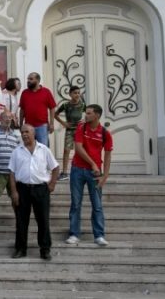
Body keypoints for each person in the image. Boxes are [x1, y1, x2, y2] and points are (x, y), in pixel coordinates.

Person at [8, 124, 60, 260]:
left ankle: (45, 249)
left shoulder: (44, 150)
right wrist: (14, 192)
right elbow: (12, 173)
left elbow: (55, 168)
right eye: (22, 132)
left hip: (41, 189)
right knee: (21, 221)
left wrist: (52, 184)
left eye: (27, 132)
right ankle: (20, 249)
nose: (24, 134)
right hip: (22, 189)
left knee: (43, 220)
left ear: (34, 133)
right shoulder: (16, 151)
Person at [66, 104, 113, 247]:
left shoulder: (105, 133)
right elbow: (78, 148)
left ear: (97, 115)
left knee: (97, 205)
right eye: (86, 113)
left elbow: (108, 154)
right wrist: (92, 163)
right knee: (75, 203)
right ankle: (74, 234)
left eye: (89, 113)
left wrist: (105, 175)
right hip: (77, 170)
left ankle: (99, 235)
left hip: (95, 173)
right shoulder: (81, 128)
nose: (85, 115)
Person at [0, 111, 21, 227]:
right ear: (0, 119)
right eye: (5, 117)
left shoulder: (16, 135)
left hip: (12, 173)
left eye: (10, 118)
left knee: (15, 197)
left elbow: (19, 153)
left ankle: (19, 220)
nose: (8, 119)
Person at [55, 86, 86, 180]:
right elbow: (55, 114)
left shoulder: (83, 105)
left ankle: (82, 171)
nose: (77, 95)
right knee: (66, 150)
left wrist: (84, 120)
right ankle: (64, 172)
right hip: (69, 130)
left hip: (80, 130)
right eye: (75, 93)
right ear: (70, 94)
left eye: (78, 93)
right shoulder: (65, 105)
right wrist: (63, 122)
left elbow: (89, 113)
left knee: (80, 150)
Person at [19, 72, 57, 146]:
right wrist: (21, 124)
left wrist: (52, 123)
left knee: (43, 148)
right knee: (28, 147)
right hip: (28, 126)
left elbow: (52, 108)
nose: (28, 81)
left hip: (42, 126)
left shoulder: (46, 92)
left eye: (31, 79)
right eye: (28, 79)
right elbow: (22, 110)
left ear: (38, 80)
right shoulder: (25, 93)